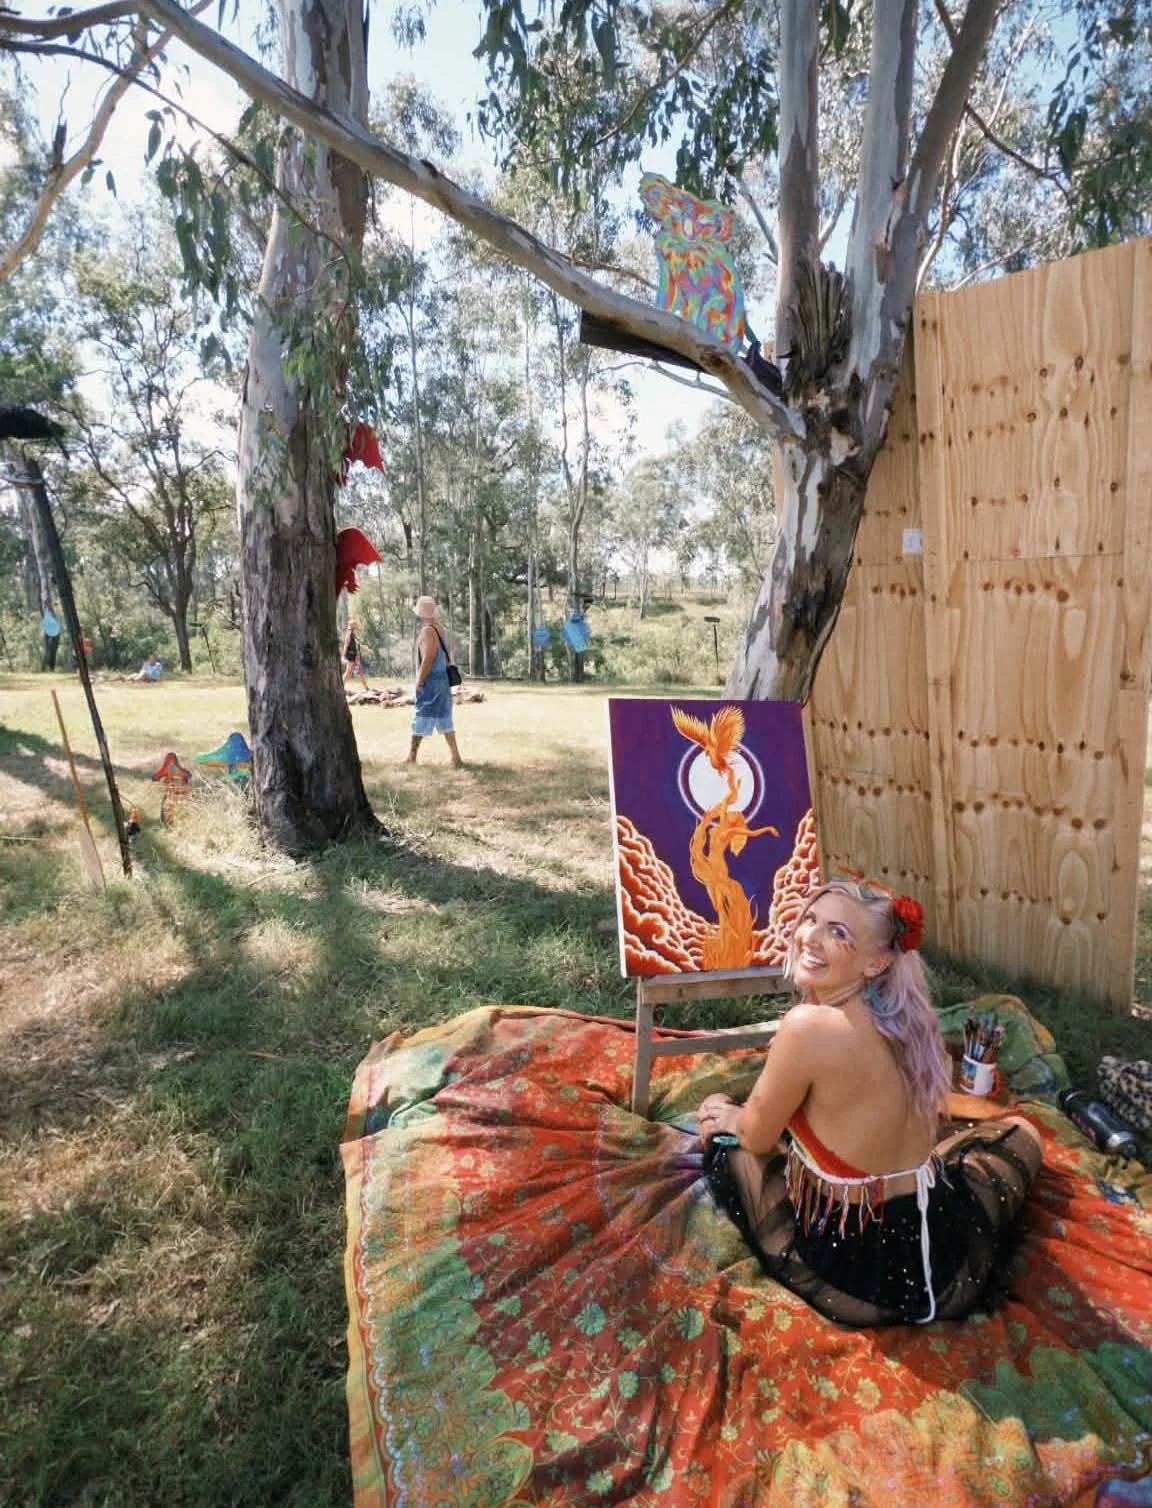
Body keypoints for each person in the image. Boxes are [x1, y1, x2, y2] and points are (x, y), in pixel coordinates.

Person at [698, 877, 1043, 1327]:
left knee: (730, 1148)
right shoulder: (914, 1022)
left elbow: (757, 1138)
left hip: (856, 1276)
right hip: (942, 1259)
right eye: (811, 919)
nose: (811, 937)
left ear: (877, 962)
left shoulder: (807, 1027)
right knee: (1021, 1135)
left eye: (838, 933)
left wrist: (729, 1113)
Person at [407, 595, 463, 768]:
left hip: (431, 681)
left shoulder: (427, 631)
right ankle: (456, 757)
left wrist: (420, 681)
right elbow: (448, 654)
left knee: (421, 715)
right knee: (445, 718)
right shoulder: (441, 630)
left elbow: (428, 658)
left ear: (421, 613)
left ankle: (412, 756)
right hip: (443, 680)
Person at [342, 619, 369, 689]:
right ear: (353, 628)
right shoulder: (349, 636)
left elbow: (358, 645)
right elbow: (345, 646)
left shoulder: (354, 636)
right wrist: (343, 657)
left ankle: (366, 687)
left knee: (351, 673)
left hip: (355, 658)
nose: (357, 629)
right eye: (356, 628)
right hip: (351, 658)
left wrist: (365, 648)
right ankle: (366, 688)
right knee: (352, 673)